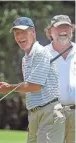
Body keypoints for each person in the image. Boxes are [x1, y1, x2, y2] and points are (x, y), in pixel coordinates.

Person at [0, 17, 65, 143]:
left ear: (33, 32)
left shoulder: (40, 52)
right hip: (35, 113)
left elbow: (35, 86)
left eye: (23, 32)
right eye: (17, 33)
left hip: (48, 111)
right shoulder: (26, 58)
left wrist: (9, 88)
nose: (20, 36)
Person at [44, 15, 75, 143]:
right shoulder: (42, 53)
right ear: (50, 31)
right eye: (59, 27)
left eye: (66, 27)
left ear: (72, 30)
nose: (63, 31)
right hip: (53, 113)